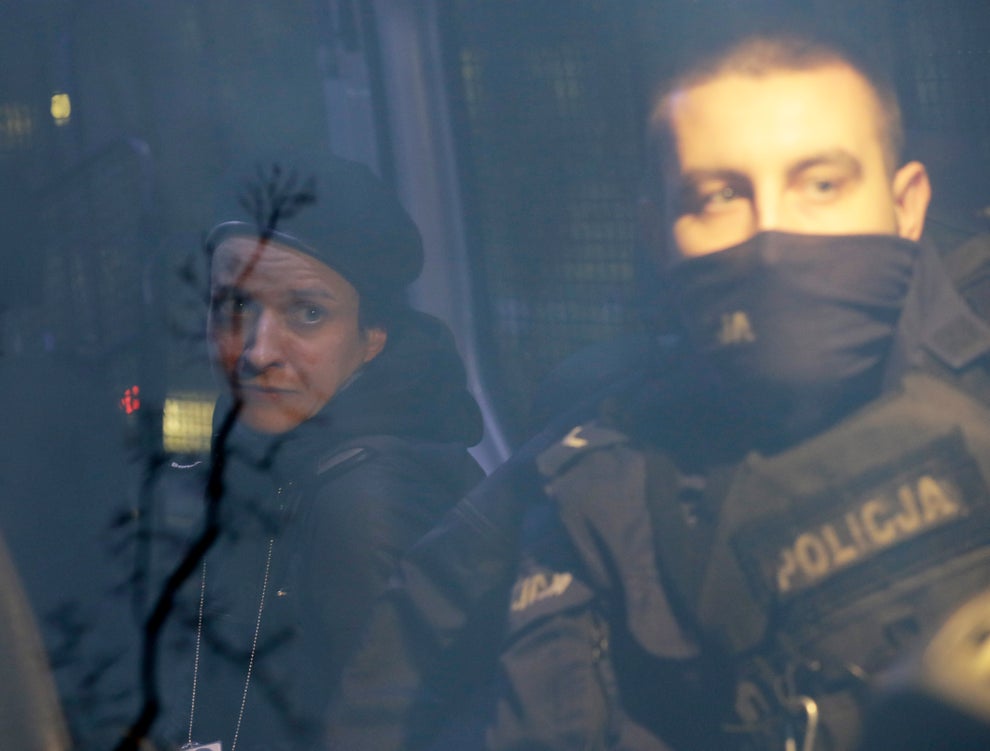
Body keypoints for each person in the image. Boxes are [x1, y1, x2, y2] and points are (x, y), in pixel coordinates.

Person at [327, 30, 990, 751]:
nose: (772, 236)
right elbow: (393, 686)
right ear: (657, 233)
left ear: (906, 204)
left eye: (822, 185)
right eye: (719, 196)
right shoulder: (598, 487)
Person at [144, 152, 485, 751]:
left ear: (372, 336)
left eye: (307, 313)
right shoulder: (254, 455)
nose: (257, 352)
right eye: (235, 306)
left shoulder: (366, 505)